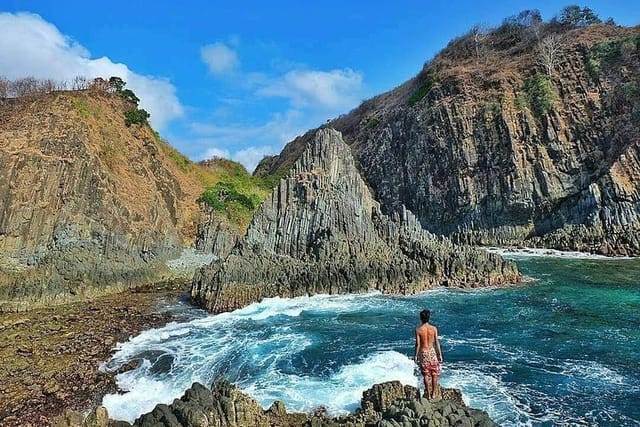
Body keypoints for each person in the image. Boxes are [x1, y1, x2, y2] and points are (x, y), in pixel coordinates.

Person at [414, 309, 443, 399]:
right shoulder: (434, 329)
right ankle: (434, 393)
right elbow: (437, 342)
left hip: (423, 353)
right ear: (429, 318)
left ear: (421, 318)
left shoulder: (418, 330)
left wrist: (416, 355)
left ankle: (429, 394)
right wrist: (440, 354)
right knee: (434, 374)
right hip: (432, 352)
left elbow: (418, 344)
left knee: (426, 375)